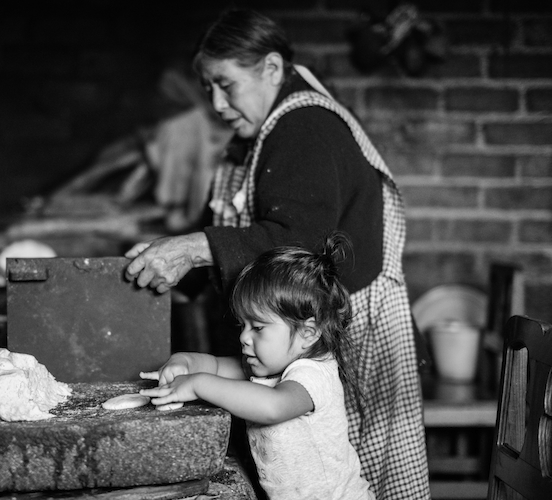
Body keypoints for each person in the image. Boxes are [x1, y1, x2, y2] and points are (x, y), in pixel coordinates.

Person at [124, 8, 429, 499]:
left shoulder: (305, 127)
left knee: (360, 470)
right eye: (208, 90)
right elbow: (229, 229)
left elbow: (298, 243)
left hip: (347, 326)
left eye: (226, 85)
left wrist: (189, 251)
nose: (217, 103)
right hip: (285, 328)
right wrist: (176, 268)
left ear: (270, 69)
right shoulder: (254, 139)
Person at [140, 237, 375, 500]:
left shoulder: (313, 375)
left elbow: (271, 407)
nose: (244, 338)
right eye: (243, 326)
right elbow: (217, 365)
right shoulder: (269, 364)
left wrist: (197, 384)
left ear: (308, 333)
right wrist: (184, 363)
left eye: (259, 328)